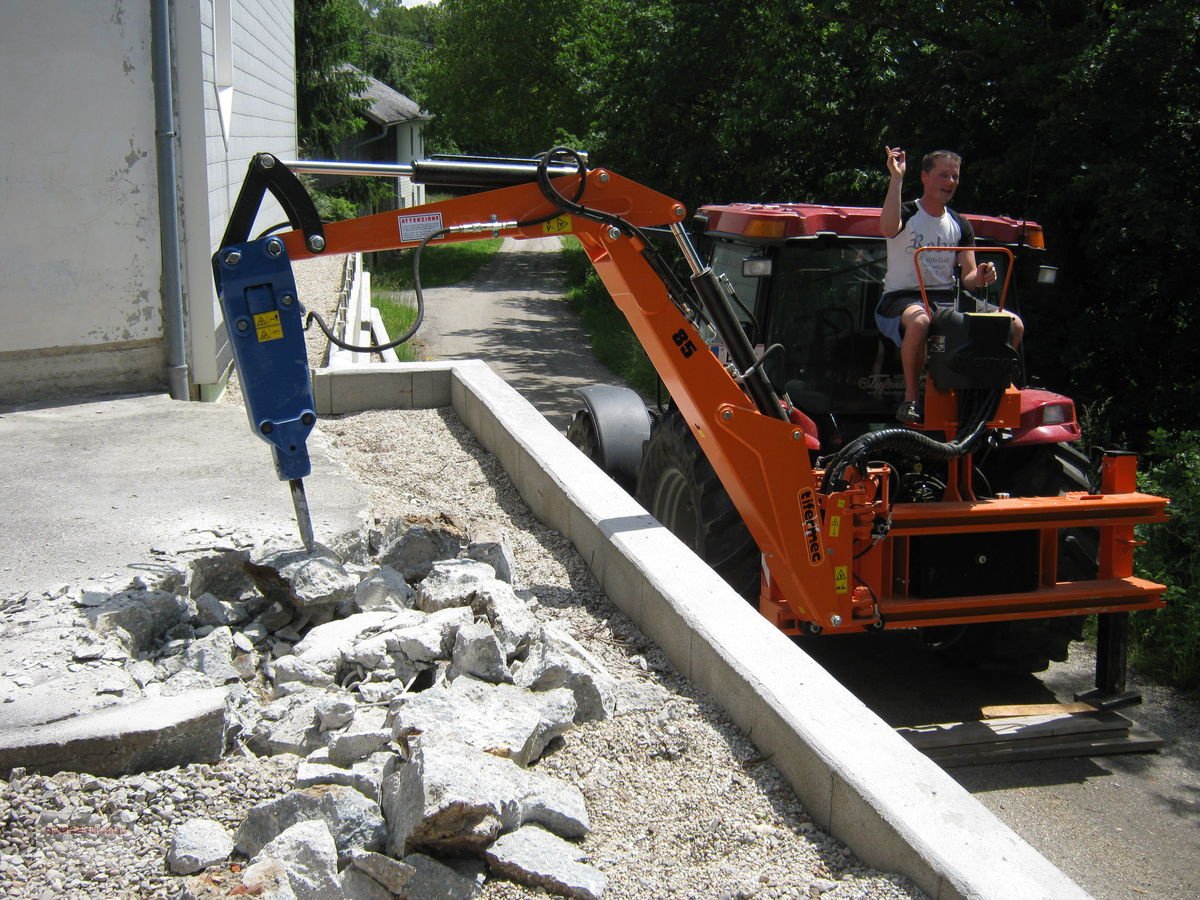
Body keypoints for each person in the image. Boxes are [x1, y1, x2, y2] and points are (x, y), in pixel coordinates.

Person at [876, 147, 1023, 424]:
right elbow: (886, 228)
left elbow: (968, 277)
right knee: (920, 322)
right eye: (943, 175)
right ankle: (911, 399)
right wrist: (896, 178)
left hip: (945, 300)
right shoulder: (907, 213)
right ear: (924, 177)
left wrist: (982, 275)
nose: (950, 182)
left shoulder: (959, 224)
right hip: (903, 297)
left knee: (1014, 324)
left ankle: (991, 394)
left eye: (954, 176)